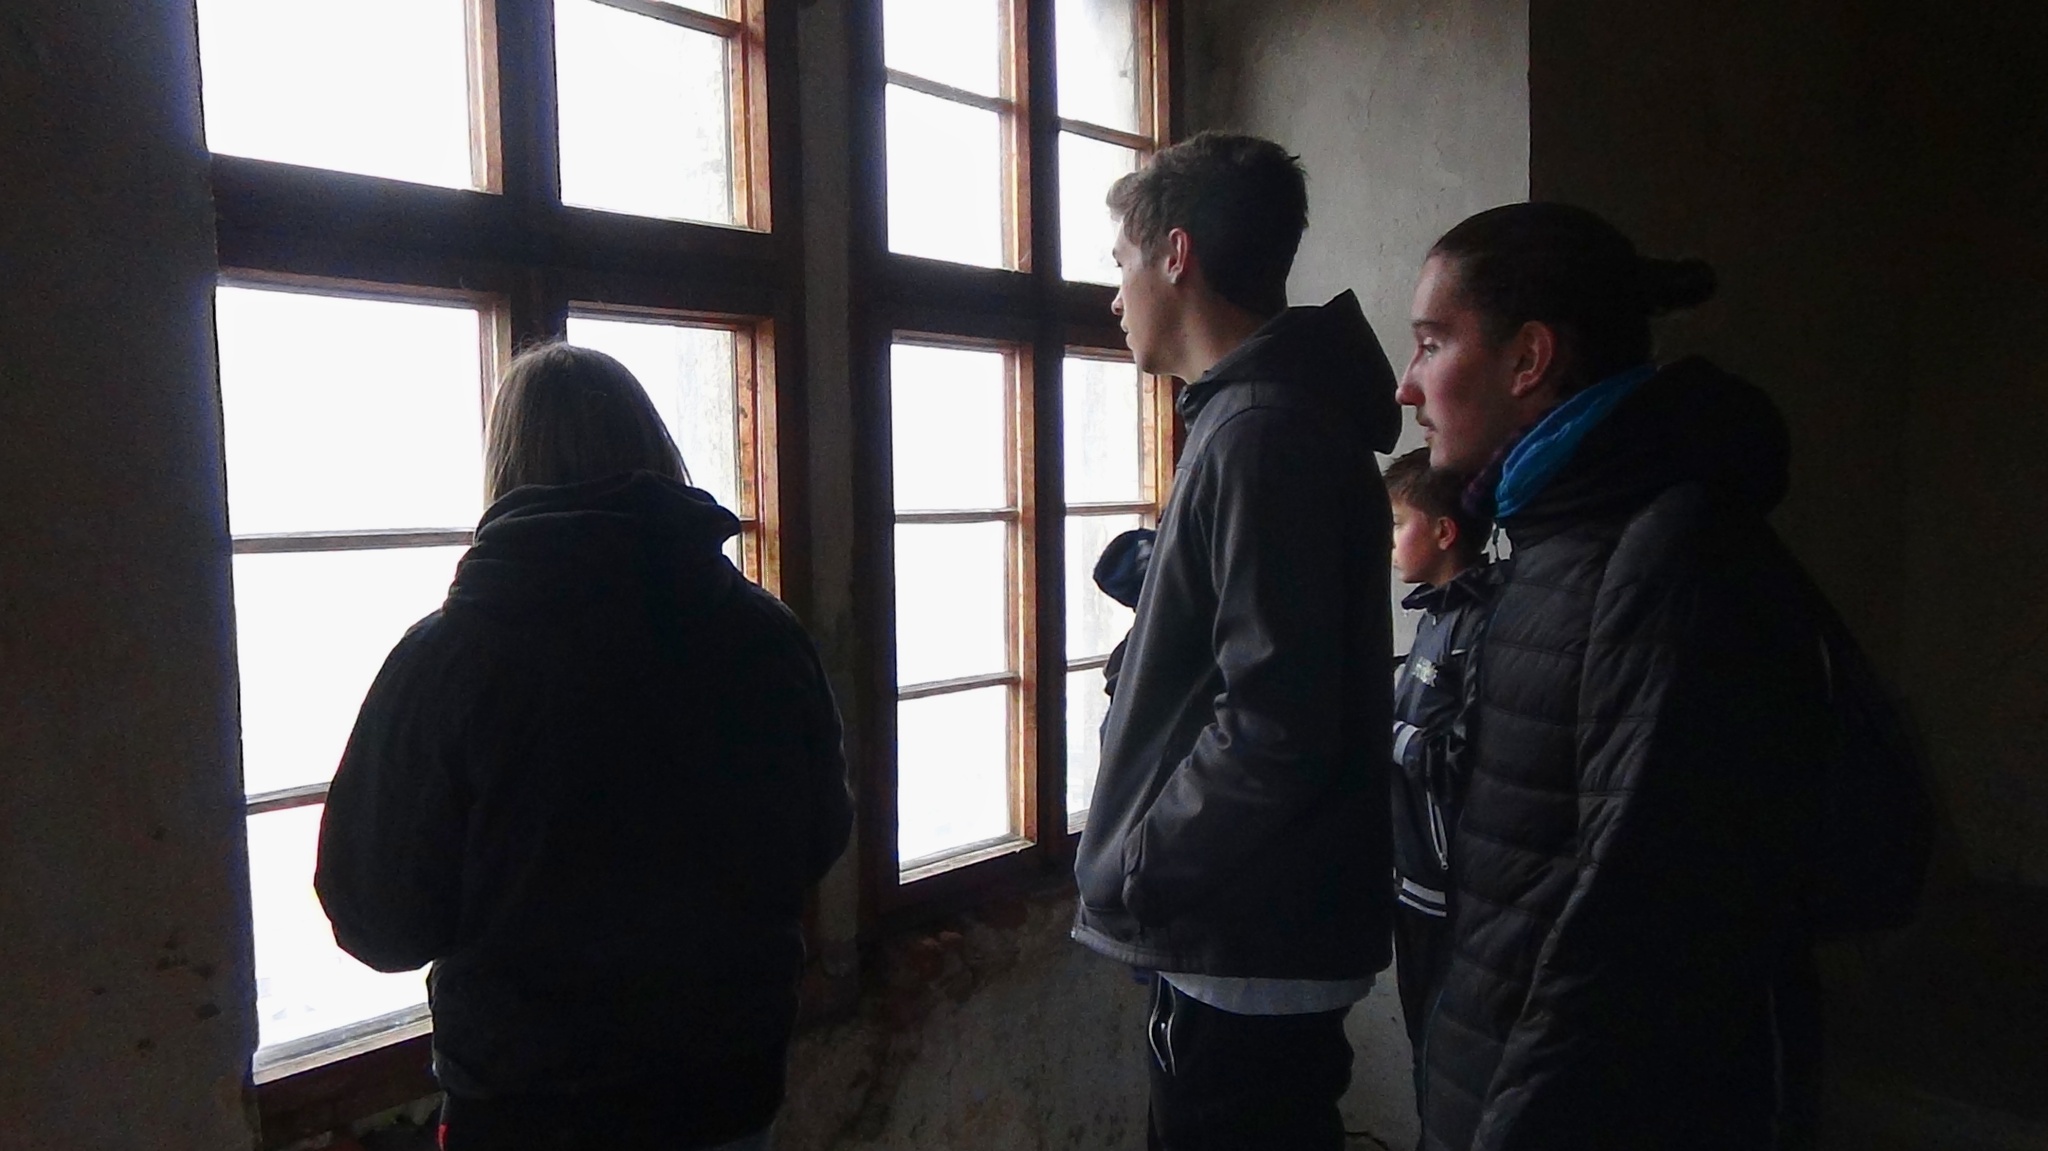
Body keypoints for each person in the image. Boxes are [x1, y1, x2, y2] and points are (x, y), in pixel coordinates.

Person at [315, 343, 853, 1151]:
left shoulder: (450, 660)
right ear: (657, 448)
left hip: (527, 1109)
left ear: (506, 469)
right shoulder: (764, 637)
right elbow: (818, 835)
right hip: (725, 1091)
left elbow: (378, 919)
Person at [1396, 202, 1835, 1151]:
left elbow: (1635, 934)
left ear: (1529, 358)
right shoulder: (1554, 541)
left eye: (1431, 344)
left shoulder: (1664, 557)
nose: (1407, 385)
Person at [1070, 131, 1402, 1150]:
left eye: (1121, 263)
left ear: (1176, 254)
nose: (1113, 298)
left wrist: (1139, 863)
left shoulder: (1261, 431)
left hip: (1243, 930)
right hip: (1252, 919)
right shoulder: (1255, 418)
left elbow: (1274, 721)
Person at [1381, 447, 1499, 1109]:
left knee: (1452, 1070)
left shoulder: (1480, 622)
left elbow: (1469, 755)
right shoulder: (1435, 614)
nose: (1390, 541)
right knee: (1426, 1061)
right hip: (1416, 883)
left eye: (1399, 523)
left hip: (1454, 895)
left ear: (1445, 531)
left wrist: (1388, 734)